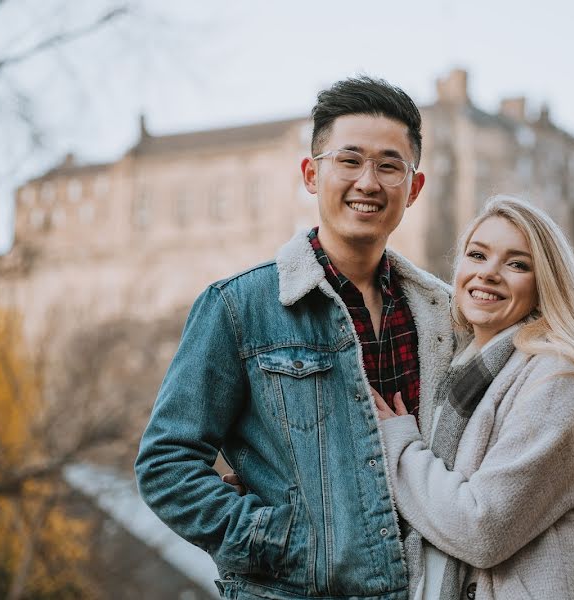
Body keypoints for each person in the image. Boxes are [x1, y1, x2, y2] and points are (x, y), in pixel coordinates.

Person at [135, 76, 456, 600]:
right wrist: (278, 539)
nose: (368, 182)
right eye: (349, 161)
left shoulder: (443, 316)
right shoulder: (239, 308)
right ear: (312, 174)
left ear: (414, 188)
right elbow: (165, 466)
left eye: (389, 165)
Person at [371, 196, 574, 600]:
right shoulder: (458, 373)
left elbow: (482, 528)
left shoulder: (557, 375)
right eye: (477, 255)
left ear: (544, 285)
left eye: (516, 264)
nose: (489, 274)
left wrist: (399, 447)